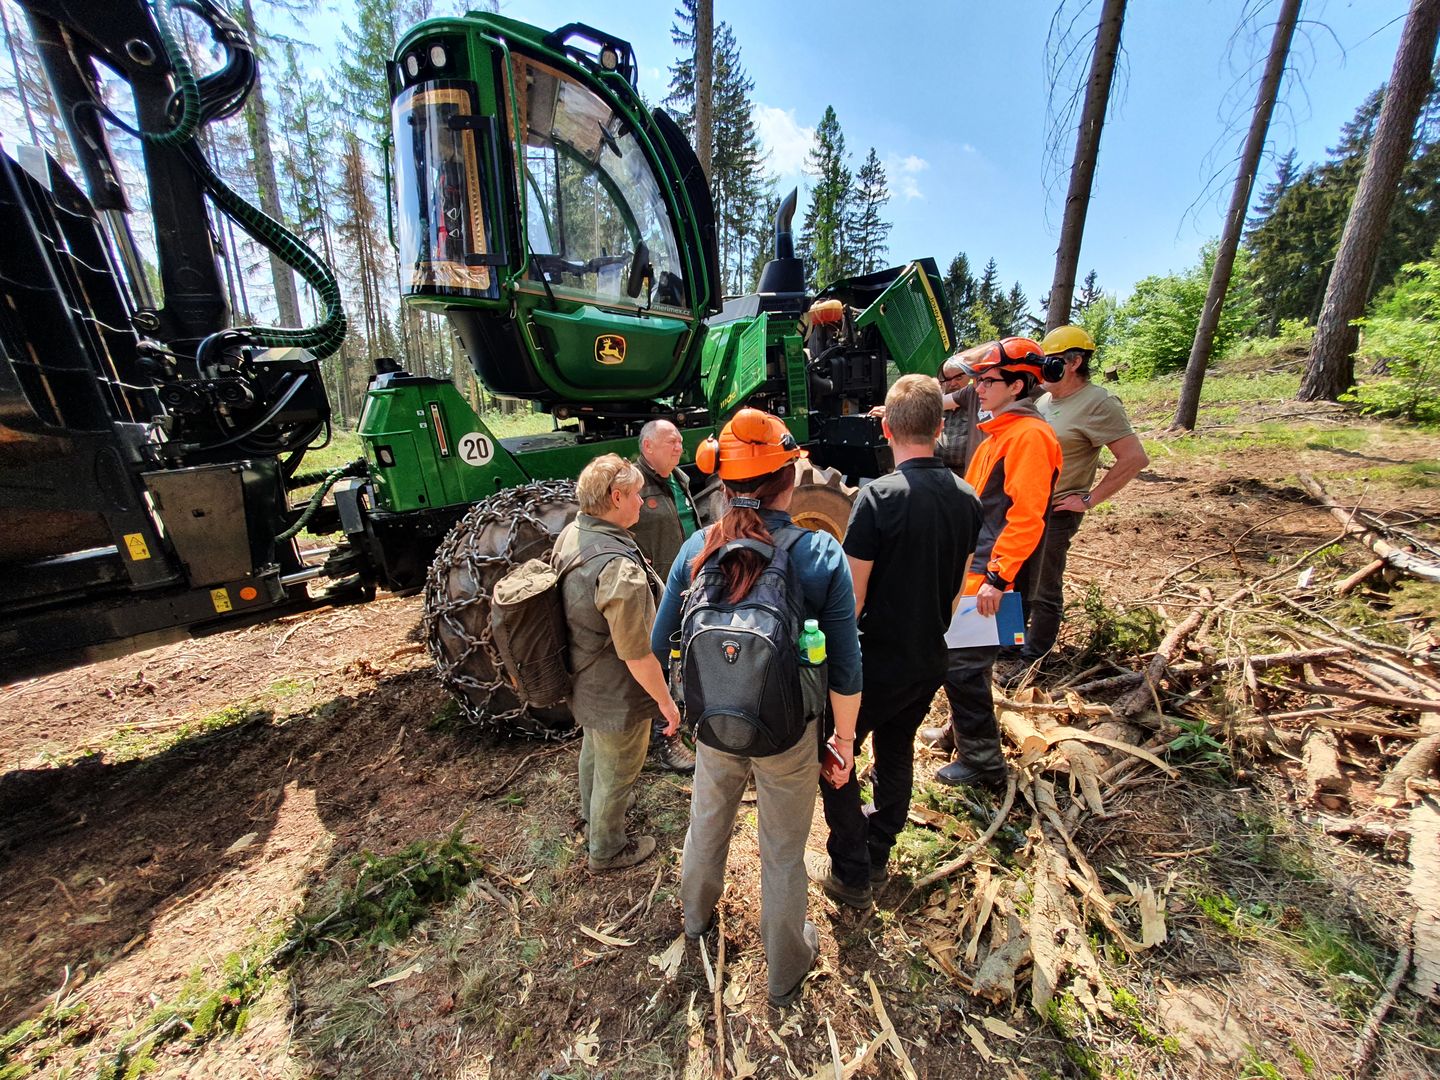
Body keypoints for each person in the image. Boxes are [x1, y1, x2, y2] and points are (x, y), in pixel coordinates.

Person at [651, 408, 862, 1008]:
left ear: (723, 480)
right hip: (790, 731)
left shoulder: (697, 546)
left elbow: (657, 640)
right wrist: (842, 743)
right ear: (787, 481)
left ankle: (695, 918)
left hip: (713, 721)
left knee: (707, 821)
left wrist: (676, 710)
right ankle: (785, 966)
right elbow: (846, 667)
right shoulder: (819, 551)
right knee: (782, 849)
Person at [808, 375, 981, 908]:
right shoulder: (967, 496)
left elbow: (851, 601)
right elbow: (957, 589)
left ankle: (852, 872)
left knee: (835, 753)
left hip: (875, 660)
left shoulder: (880, 498)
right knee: (898, 748)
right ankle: (879, 848)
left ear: (886, 428)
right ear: (941, 424)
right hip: (929, 654)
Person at [936, 339, 1063, 788]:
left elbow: (1026, 515)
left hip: (994, 579)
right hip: (981, 569)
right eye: (978, 379)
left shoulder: (1028, 437)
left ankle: (983, 762)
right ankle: (961, 735)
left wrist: (997, 577)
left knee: (965, 665)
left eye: (988, 381)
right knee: (970, 661)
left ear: (1018, 384)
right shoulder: (1002, 432)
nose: (978, 388)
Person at [553, 454, 681, 872]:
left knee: (595, 751)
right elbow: (637, 653)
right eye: (637, 496)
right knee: (620, 767)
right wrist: (665, 703)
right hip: (618, 692)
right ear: (615, 496)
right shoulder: (618, 569)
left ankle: (592, 821)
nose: (642, 504)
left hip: (583, 678)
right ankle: (606, 849)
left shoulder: (573, 533)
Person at [1013, 324, 1149, 672]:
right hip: (1025, 508)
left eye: (1051, 361)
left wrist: (1088, 499)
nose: (1044, 369)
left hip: (1057, 510)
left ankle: (1034, 658)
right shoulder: (1043, 400)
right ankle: (1010, 646)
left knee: (1044, 586)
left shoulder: (1098, 403)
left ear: (1073, 362)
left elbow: (1134, 458)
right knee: (1015, 579)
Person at [632, 418, 701, 773]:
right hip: (656, 591)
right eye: (671, 441)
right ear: (648, 448)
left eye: (679, 441)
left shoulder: (680, 479)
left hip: (688, 584)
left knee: (680, 658)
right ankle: (665, 741)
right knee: (658, 661)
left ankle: (681, 722)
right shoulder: (633, 487)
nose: (679, 446)